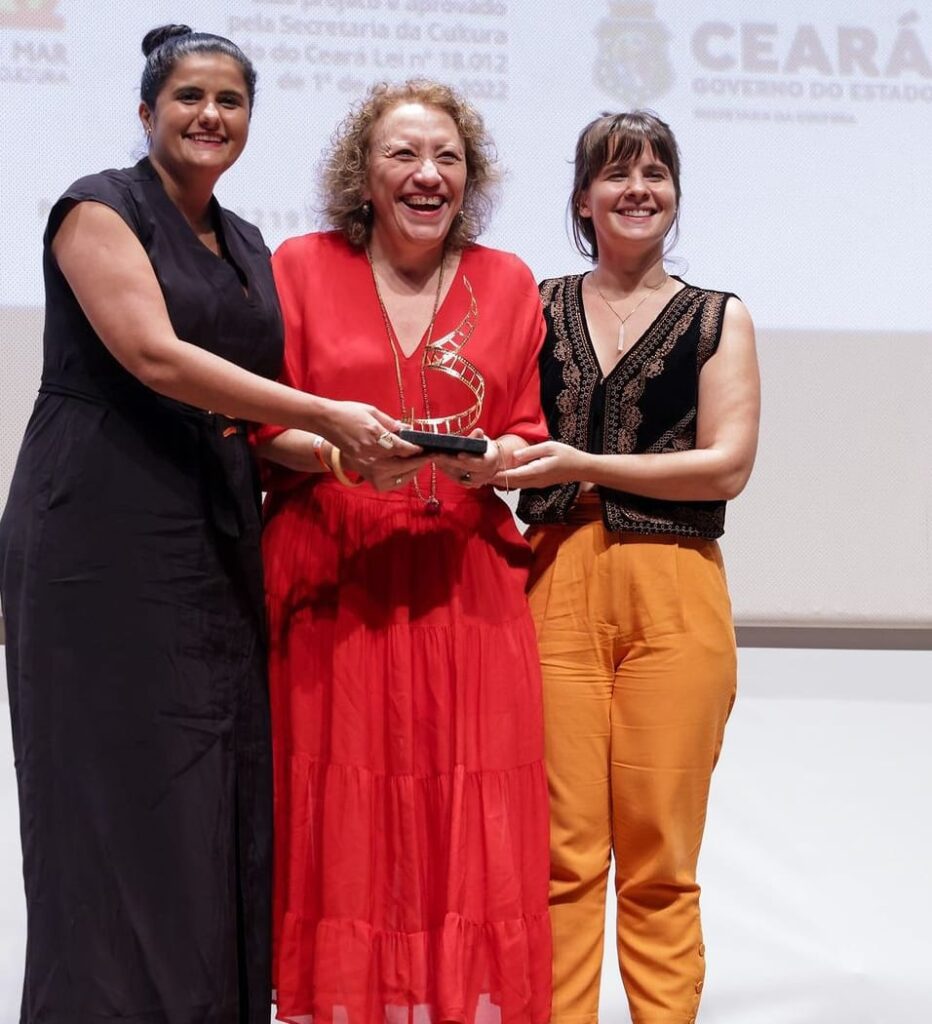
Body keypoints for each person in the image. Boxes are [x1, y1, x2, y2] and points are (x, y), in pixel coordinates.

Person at [0, 25, 403, 1024]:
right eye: (188, 97)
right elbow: (156, 357)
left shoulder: (248, 241)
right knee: (107, 803)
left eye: (229, 99)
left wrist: (336, 452)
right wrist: (319, 413)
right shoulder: (98, 209)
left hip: (210, 537)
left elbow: (244, 415)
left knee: (205, 798)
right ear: (147, 113)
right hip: (97, 536)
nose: (208, 115)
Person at [252, 80, 552, 1024]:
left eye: (448, 158)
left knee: (463, 816)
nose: (428, 175)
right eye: (403, 155)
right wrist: (340, 460)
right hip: (333, 575)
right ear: (364, 173)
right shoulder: (297, 265)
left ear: (471, 177)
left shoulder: (508, 280)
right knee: (336, 814)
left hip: (463, 583)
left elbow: (525, 431)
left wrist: (497, 463)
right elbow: (259, 422)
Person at [507, 111, 761, 1024]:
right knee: (560, 855)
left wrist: (586, 465)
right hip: (554, 576)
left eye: (656, 173)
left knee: (659, 856)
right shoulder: (530, 305)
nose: (638, 188)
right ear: (583, 199)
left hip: (678, 583)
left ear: (676, 197)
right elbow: (499, 430)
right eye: (616, 174)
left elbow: (728, 462)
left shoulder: (717, 317)